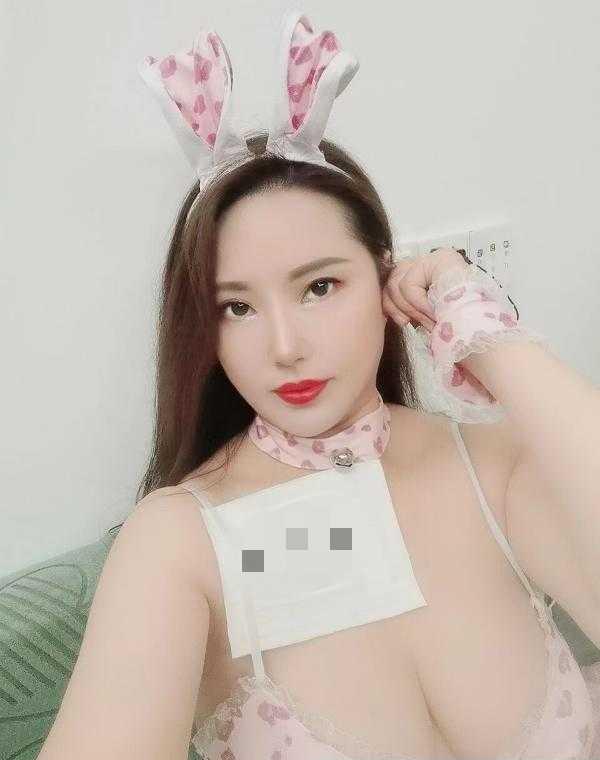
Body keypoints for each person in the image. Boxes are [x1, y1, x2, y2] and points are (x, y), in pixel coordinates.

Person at [36, 11, 600, 760]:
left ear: (385, 277)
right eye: (236, 307)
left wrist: (485, 332)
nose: (284, 347)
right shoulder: (178, 543)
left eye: (320, 287)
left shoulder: (490, 468)